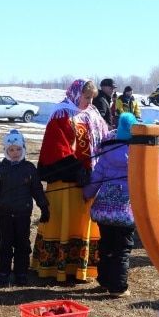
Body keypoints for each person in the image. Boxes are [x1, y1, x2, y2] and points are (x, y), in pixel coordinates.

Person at [34, 79, 109, 281]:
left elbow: (103, 139)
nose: (88, 101)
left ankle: (80, 267)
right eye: (86, 97)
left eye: (91, 98)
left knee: (81, 222)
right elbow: (56, 147)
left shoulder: (93, 114)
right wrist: (75, 169)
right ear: (76, 94)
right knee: (64, 222)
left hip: (88, 182)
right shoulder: (62, 114)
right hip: (66, 182)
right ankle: (57, 268)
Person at [0, 129, 49, 286]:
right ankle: (3, 273)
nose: (15, 153)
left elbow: (37, 190)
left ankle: (21, 273)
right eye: (11, 150)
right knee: (4, 245)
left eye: (18, 149)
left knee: (22, 245)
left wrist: (44, 207)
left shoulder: (29, 169)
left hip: (23, 214)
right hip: (5, 214)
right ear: (6, 150)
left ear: (23, 149)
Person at [83, 113, 137, 296]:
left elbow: (96, 177)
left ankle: (105, 282)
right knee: (122, 250)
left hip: (104, 210)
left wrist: (87, 193)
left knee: (106, 247)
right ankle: (118, 287)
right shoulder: (138, 152)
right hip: (125, 211)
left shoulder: (107, 152)